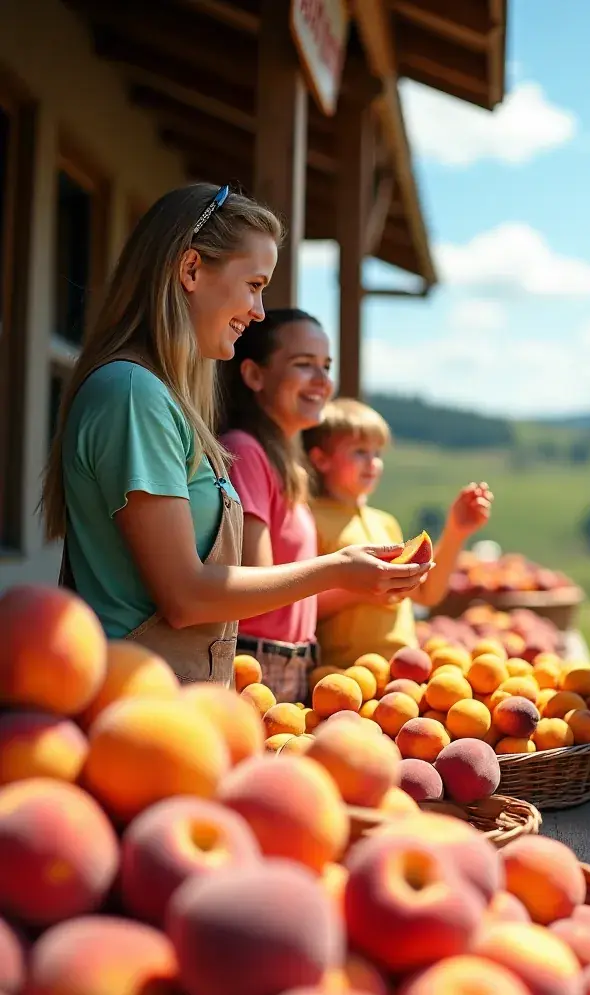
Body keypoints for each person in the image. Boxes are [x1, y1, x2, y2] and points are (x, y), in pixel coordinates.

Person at [41, 183, 432, 686]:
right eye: (254, 284)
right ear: (190, 270)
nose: (259, 311)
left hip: (164, 695)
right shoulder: (134, 392)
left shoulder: (155, 395)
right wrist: (337, 570)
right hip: (137, 699)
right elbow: (185, 597)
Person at [302, 398, 492, 668]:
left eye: (377, 453)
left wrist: (456, 531)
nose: (372, 463)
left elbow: (427, 594)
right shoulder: (309, 519)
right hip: (345, 673)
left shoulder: (386, 523)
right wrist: (361, 591)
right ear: (321, 459)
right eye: (359, 452)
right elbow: (297, 605)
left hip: (403, 668)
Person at [218, 309, 332, 701]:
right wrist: (340, 570)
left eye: (326, 366)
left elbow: (287, 599)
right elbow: (256, 584)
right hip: (257, 667)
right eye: (304, 365)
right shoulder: (245, 451)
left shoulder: (282, 461)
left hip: (287, 664)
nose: (322, 380)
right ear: (253, 375)